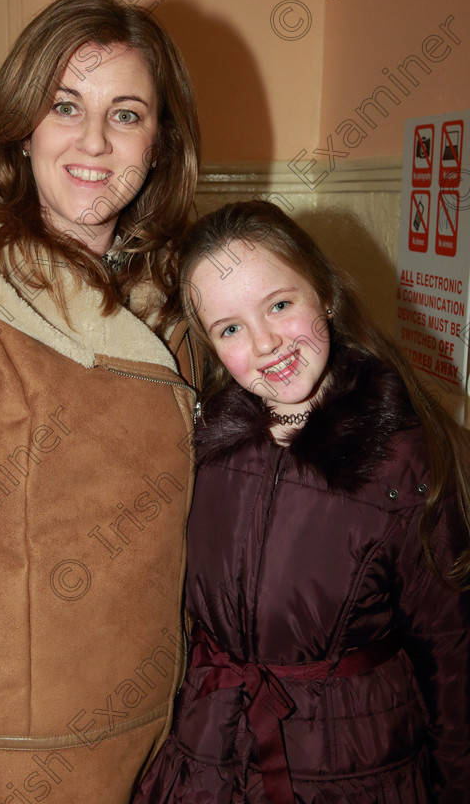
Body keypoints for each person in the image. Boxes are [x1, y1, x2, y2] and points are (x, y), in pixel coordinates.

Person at [0, 0, 200, 804]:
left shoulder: (178, 299)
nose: (95, 142)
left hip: (156, 733)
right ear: (24, 125)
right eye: (66, 105)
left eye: (128, 113)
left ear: (159, 141)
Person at [134, 200, 470, 803]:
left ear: (326, 294)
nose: (265, 344)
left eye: (280, 305)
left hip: (353, 771)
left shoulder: (404, 458)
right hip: (208, 760)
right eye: (230, 328)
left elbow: (452, 654)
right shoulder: (201, 447)